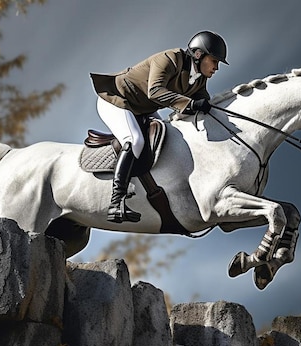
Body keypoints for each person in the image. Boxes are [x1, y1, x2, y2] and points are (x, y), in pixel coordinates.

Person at [91, 30, 228, 223]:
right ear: (198, 55)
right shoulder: (169, 59)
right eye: (214, 61)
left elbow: (202, 103)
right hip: (117, 99)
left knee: (168, 136)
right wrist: (190, 104)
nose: (217, 67)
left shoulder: (199, 80)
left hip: (142, 108)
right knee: (135, 141)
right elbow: (154, 91)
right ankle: (116, 203)